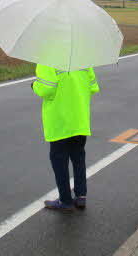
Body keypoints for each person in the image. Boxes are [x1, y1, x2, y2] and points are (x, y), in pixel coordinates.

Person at [32, 64, 100, 212]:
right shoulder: (83, 60)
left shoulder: (47, 60)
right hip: (80, 119)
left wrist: (34, 85)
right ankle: (81, 196)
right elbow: (93, 87)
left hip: (59, 122)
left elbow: (46, 89)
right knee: (78, 157)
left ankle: (65, 200)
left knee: (59, 160)